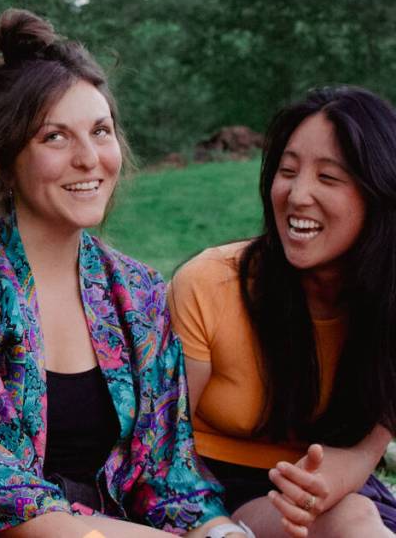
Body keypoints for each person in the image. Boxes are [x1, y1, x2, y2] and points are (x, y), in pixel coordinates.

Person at [0, 9, 246, 538]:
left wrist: (218, 532)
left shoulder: (137, 292)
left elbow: (168, 475)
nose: (89, 158)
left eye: (101, 131)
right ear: (3, 159)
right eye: (55, 137)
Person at [169, 86, 396, 538]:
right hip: (202, 487)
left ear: (378, 194)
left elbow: (362, 453)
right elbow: (159, 451)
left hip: (334, 488)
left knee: (355, 518)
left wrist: (319, 486)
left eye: (329, 178)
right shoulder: (210, 285)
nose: (297, 195)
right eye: (287, 171)